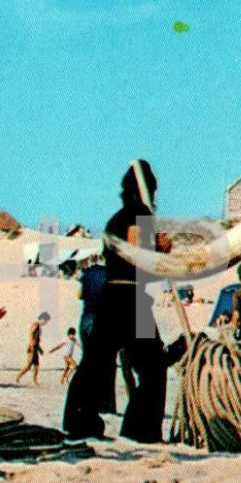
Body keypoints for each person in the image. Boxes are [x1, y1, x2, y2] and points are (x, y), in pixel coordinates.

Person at [63, 160, 173, 441]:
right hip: (130, 298)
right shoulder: (139, 214)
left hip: (113, 296)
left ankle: (79, 421)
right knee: (153, 367)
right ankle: (141, 429)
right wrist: (159, 249)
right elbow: (136, 252)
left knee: (96, 362)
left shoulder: (115, 219)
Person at [15, 313, 49, 385]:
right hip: (32, 348)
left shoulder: (38, 326)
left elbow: (36, 339)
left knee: (36, 365)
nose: (46, 323)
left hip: (35, 347)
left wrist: (39, 349)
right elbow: (31, 336)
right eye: (45, 321)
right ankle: (17, 377)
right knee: (28, 366)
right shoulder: (35, 325)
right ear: (42, 319)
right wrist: (32, 345)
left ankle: (34, 381)